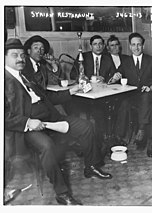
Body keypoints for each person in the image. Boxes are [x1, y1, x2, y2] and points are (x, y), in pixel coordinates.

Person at [4, 38, 112, 205]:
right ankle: (62, 193)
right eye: (14, 55)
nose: (20, 58)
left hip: (51, 119)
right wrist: (27, 122)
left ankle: (91, 167)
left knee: (86, 126)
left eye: (21, 55)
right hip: (26, 128)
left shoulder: (24, 76)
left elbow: (48, 97)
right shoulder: (4, 80)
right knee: (47, 146)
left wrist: (72, 90)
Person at [109, 32, 152, 157]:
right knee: (125, 103)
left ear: (143, 46)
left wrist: (151, 87)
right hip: (133, 97)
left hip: (150, 95)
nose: (136, 48)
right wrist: (115, 77)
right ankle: (125, 136)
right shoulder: (126, 62)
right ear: (130, 46)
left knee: (146, 100)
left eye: (139, 44)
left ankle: (141, 130)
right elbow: (117, 74)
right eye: (133, 45)